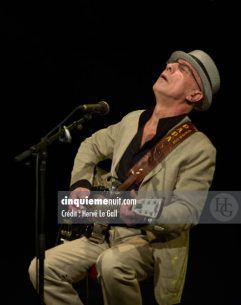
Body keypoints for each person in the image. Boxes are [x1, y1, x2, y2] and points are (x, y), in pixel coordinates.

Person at [28, 49, 220, 305]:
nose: (171, 67)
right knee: (41, 269)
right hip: (103, 231)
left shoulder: (199, 147)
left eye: (183, 69)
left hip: (150, 243)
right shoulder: (132, 120)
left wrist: (142, 211)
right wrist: (80, 184)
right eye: (172, 64)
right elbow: (91, 146)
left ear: (194, 95)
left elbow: (188, 211)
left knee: (111, 264)